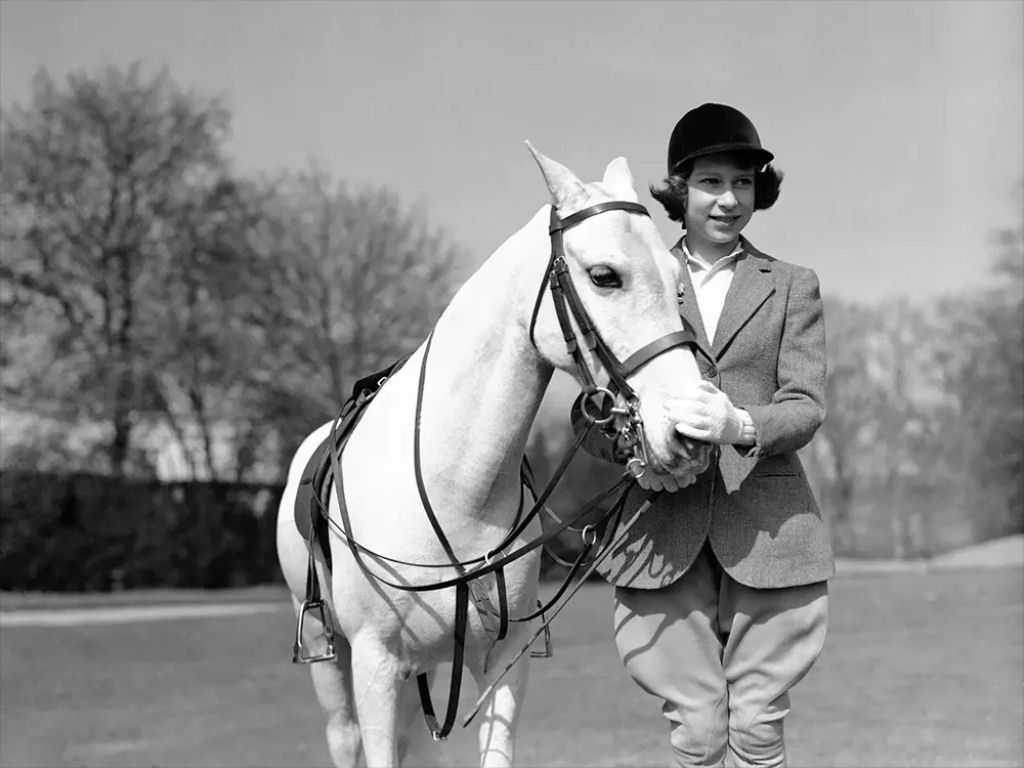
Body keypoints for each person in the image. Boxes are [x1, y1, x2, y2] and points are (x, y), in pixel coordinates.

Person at [579, 103, 832, 767]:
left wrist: (739, 424)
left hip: (771, 528)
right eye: (712, 182)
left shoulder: (792, 286)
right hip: (661, 530)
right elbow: (589, 411)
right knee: (697, 735)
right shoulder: (629, 279)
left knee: (756, 731)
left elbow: (805, 405)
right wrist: (636, 442)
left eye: (743, 183)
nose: (728, 199)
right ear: (678, 189)